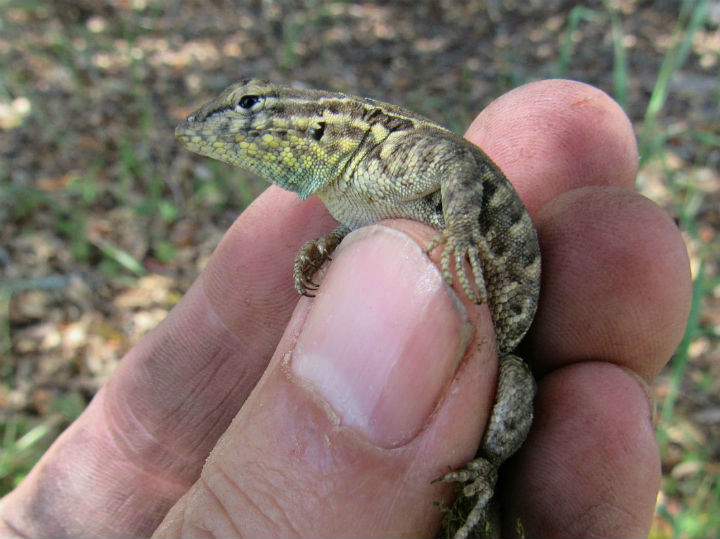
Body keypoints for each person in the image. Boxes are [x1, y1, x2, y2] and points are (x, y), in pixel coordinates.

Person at [0, 79, 691, 538]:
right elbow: (384, 229)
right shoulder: (352, 185)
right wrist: (336, 245)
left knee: (513, 405)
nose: (241, 118)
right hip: (461, 355)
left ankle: (483, 476)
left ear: (322, 121)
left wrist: (455, 233)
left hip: (504, 336)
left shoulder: (387, 150)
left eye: (250, 105)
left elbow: (455, 167)